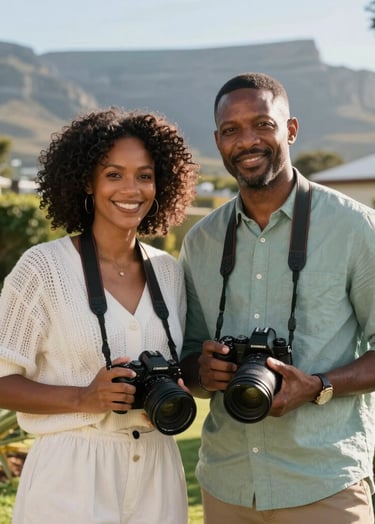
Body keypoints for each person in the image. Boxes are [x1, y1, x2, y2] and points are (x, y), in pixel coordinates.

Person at [179, 72, 375, 524]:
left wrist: (320, 386)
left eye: (263, 124)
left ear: (290, 129)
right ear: (217, 141)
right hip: (228, 485)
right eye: (231, 130)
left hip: (325, 484)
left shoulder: (354, 228)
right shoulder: (202, 241)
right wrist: (203, 370)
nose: (247, 140)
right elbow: (188, 364)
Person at [0, 107, 198, 524]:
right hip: (70, 477)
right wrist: (83, 398)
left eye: (145, 175)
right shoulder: (43, 269)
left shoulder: (169, 272)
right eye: (114, 174)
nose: (132, 188)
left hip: (158, 475)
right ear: (87, 181)